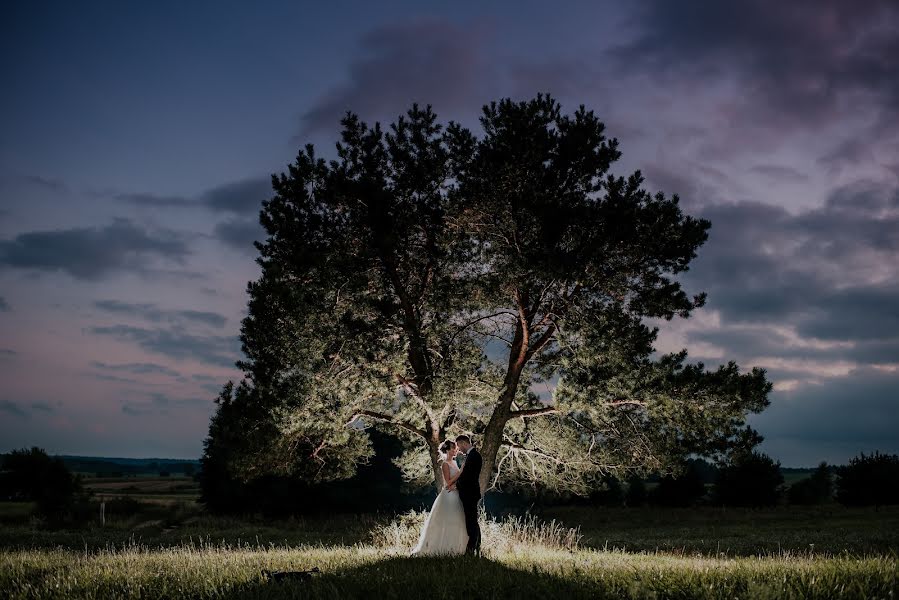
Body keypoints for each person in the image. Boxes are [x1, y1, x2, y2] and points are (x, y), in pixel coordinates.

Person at [410, 440, 468, 555]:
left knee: (458, 521)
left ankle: (457, 549)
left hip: (456, 494)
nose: (455, 450)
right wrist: (461, 472)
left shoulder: (455, 462)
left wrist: (459, 483)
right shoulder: (445, 464)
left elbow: (456, 482)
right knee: (447, 521)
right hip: (448, 496)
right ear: (447, 450)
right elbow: (448, 482)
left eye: (455, 448)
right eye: (453, 448)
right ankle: (442, 549)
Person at [453, 434, 482, 555]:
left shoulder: (474, 456)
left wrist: (456, 486)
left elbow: (468, 477)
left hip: (470, 494)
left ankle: (471, 550)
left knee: (471, 522)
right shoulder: (471, 455)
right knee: (472, 521)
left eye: (459, 446)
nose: (459, 449)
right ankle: (477, 547)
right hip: (470, 493)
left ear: (464, 443)